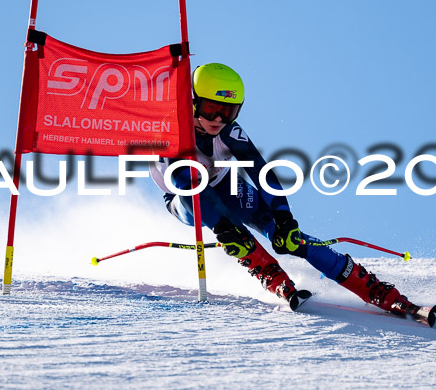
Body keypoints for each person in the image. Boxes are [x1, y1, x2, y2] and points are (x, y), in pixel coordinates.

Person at [150, 63, 421, 316]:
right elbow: (184, 183)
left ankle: (374, 290)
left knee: (290, 238)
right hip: (184, 199)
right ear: (193, 101)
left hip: (223, 185)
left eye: (229, 111)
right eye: (211, 109)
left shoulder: (230, 132)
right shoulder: (170, 129)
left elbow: (260, 170)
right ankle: (270, 274)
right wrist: (224, 228)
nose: (219, 118)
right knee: (227, 226)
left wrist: (284, 217)